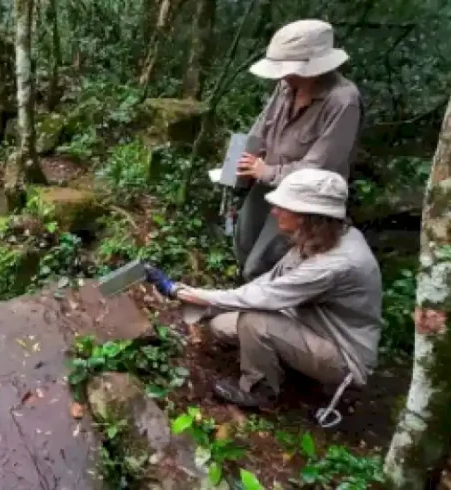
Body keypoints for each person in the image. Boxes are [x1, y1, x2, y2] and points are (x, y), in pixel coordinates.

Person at [146, 169, 382, 407]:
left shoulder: (337, 263)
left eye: (283, 206)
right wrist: (203, 300)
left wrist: (187, 293)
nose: (275, 211)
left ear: (306, 216)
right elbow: (269, 282)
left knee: (253, 321)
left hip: (342, 354)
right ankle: (286, 363)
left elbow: (265, 296)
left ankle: (259, 391)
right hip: (307, 323)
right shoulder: (324, 236)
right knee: (221, 326)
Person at [235, 19, 363, 282]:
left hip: (304, 199)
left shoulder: (342, 101)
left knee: (263, 263)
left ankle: (260, 311)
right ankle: (242, 295)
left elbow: (320, 167)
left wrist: (267, 171)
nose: (284, 75)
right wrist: (240, 158)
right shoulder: (286, 87)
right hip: (265, 182)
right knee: (243, 243)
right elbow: (261, 126)